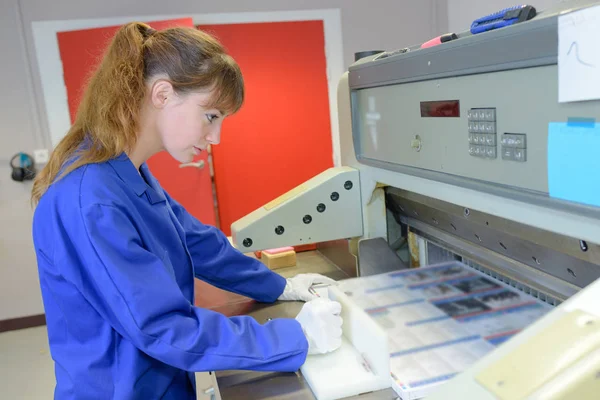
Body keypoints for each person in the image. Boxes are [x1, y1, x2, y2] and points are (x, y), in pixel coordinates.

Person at [30, 22, 343, 400]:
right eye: (211, 116)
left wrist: (280, 285)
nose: (216, 138)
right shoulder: (89, 200)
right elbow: (162, 328)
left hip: (159, 382)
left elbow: (194, 242)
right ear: (162, 93)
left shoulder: (126, 173)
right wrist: (294, 336)